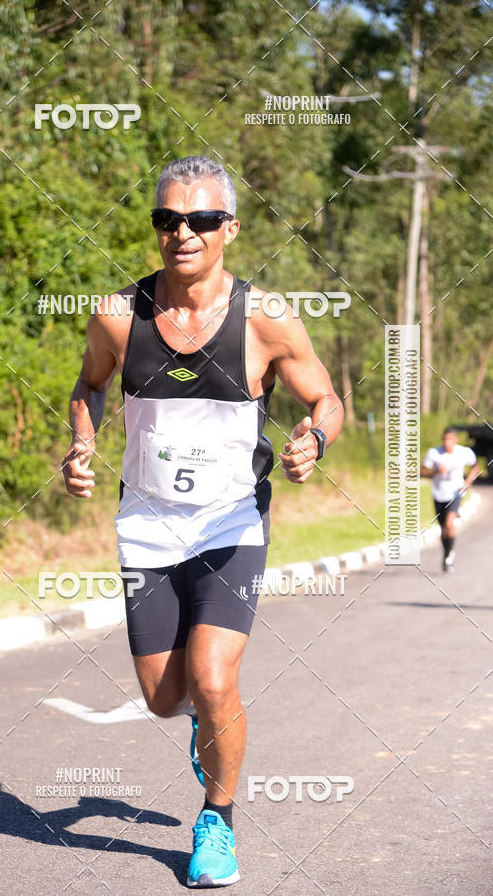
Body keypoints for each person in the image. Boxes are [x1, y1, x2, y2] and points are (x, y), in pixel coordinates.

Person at [62, 155, 343, 888]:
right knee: (166, 698)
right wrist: (83, 440)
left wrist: (315, 438)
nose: (183, 232)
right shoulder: (118, 315)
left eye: (202, 219)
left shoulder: (267, 320)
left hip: (229, 525)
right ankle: (200, 726)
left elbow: (326, 400)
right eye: (168, 219)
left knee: (215, 679)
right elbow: (89, 387)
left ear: (230, 228)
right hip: (148, 527)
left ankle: (216, 818)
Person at [421, 426, 479, 572]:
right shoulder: (434, 453)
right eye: (444, 440)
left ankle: (448, 558)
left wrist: (467, 482)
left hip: (456, 493)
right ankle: (448, 553)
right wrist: (435, 472)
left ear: (455, 440)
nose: (447, 443)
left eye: (450, 440)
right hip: (439, 494)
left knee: (449, 523)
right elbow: (421, 471)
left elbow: (475, 467)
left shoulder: (464, 452)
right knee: (443, 529)